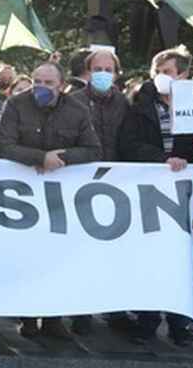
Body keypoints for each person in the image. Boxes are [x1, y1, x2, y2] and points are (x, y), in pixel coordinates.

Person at [118, 46, 193, 346]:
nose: (161, 78)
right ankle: (147, 320)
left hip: (188, 195)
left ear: (183, 75)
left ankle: (181, 324)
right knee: (150, 255)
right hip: (151, 191)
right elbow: (128, 144)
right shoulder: (138, 104)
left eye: (167, 72)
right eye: (157, 73)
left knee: (185, 256)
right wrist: (160, 159)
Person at [0, 61, 101, 339]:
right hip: (22, 196)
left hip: (61, 198)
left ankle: (54, 319)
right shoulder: (16, 105)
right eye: (37, 82)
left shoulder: (77, 110)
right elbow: (5, 145)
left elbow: (93, 149)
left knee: (56, 256)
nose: (41, 88)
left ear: (61, 85)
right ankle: (28, 318)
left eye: (48, 83)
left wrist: (62, 158)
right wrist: (39, 158)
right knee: (27, 256)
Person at [67, 49, 131, 336]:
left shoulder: (126, 104)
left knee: (114, 251)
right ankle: (81, 311)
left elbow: (131, 140)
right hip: (80, 184)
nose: (104, 73)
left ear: (116, 73)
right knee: (80, 250)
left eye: (109, 68)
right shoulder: (73, 101)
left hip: (118, 186)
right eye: (98, 68)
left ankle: (115, 309)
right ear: (88, 71)